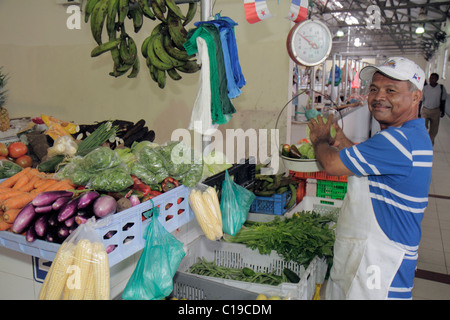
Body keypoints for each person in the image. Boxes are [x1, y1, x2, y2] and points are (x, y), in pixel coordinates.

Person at [308, 57, 433, 300]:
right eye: (374, 89)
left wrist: (320, 140)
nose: (378, 97)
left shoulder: (397, 141)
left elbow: (332, 164)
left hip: (380, 265)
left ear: (416, 97)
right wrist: (340, 139)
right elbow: (367, 165)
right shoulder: (411, 136)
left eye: (391, 90)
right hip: (374, 256)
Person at [421, 73, 447, 145]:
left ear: (437, 79)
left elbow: (443, 100)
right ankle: (425, 141)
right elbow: (421, 100)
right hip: (425, 110)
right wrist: (418, 111)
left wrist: (443, 111)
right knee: (423, 127)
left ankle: (429, 141)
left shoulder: (441, 88)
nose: (431, 79)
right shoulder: (425, 88)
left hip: (436, 111)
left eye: (433, 78)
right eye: (430, 78)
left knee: (434, 130)